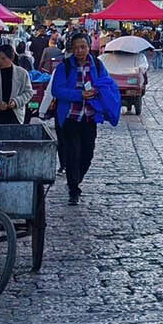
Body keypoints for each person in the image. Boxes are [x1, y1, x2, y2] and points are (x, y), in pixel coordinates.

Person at [48, 33, 120, 205]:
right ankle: (73, 188)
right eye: (76, 47)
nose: (80, 51)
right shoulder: (64, 67)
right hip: (70, 117)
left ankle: (76, 179)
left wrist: (98, 91)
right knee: (73, 154)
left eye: (83, 47)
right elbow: (57, 90)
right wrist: (79, 95)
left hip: (89, 117)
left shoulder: (97, 64)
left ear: (89, 47)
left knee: (87, 154)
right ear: (71, 48)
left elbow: (106, 83)